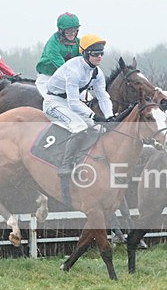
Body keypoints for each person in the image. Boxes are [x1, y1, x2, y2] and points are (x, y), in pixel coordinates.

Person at [43, 33, 114, 204]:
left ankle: (85, 158)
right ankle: (66, 165)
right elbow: (74, 103)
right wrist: (95, 116)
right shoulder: (74, 70)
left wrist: (110, 117)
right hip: (54, 102)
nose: (99, 57)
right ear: (85, 53)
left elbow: (103, 97)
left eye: (101, 54)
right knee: (80, 127)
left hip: (68, 102)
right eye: (95, 54)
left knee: (97, 128)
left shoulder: (97, 73)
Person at [35, 12, 81, 96]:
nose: (73, 33)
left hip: (68, 79)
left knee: (88, 99)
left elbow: (83, 62)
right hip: (48, 78)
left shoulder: (79, 42)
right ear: (61, 30)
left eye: (75, 30)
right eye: (69, 30)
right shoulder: (53, 43)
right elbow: (63, 67)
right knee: (51, 102)